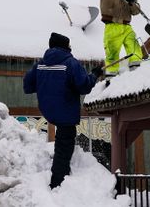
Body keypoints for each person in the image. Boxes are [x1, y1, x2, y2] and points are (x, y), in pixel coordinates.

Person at [23, 32, 102, 189]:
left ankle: (60, 175)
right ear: (66, 46)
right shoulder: (70, 63)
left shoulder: (40, 64)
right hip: (65, 111)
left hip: (48, 110)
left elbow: (27, 86)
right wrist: (94, 74)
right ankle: (58, 183)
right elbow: (84, 86)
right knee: (64, 146)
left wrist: (46, 82)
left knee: (62, 144)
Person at [87, 0, 143, 76]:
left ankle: (137, 69)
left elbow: (136, 11)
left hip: (126, 26)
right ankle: (111, 75)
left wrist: (132, 3)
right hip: (112, 25)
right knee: (112, 53)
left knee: (134, 46)